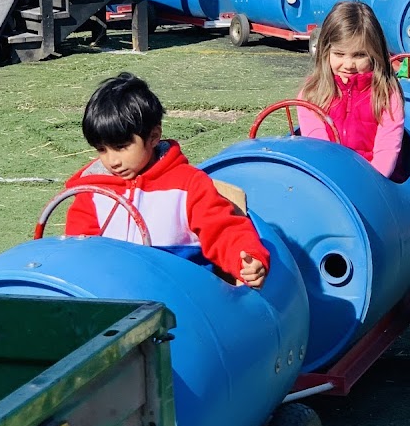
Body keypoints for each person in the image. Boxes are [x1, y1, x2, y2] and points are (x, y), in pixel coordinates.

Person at [64, 73, 269, 288]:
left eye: (121, 147)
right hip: (118, 297)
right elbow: (80, 250)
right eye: (101, 150)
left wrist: (247, 259)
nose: (112, 160)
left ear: (153, 137)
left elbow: (224, 231)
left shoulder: (189, 185)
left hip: (183, 295)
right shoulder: (92, 192)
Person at [297, 1, 404, 177]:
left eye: (359, 55)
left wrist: (369, 183)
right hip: (330, 178)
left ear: (374, 53)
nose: (348, 64)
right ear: (325, 51)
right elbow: (318, 146)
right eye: (339, 54)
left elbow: (387, 148)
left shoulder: (386, 93)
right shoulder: (312, 93)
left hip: (375, 182)